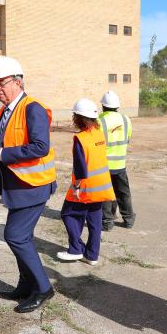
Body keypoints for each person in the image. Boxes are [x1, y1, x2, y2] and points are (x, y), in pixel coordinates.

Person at [0, 56, 57, 313]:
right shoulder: (6, 111)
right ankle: (25, 285)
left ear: (17, 82)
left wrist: (2, 154)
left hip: (33, 186)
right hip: (16, 188)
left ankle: (43, 288)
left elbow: (40, 146)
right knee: (21, 237)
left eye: (1, 83)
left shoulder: (32, 108)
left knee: (15, 236)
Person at [56, 98, 115, 266]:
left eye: (75, 116)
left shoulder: (80, 138)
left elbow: (81, 166)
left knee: (67, 213)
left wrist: (76, 186)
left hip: (86, 187)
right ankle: (92, 255)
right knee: (95, 221)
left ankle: (75, 250)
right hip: (102, 186)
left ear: (79, 118)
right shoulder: (99, 133)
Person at [99, 91, 135, 230]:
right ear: (117, 106)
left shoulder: (99, 120)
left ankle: (107, 222)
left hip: (105, 165)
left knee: (106, 194)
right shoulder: (126, 119)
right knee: (123, 193)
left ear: (103, 105)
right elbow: (128, 139)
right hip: (120, 164)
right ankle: (129, 220)